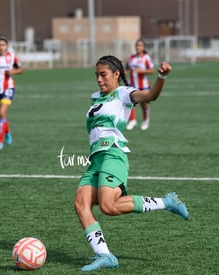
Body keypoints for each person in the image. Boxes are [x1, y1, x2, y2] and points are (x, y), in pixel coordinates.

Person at [74, 55, 188, 272]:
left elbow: (151, 95)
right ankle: (105, 256)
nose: (99, 79)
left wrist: (161, 76)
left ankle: (167, 202)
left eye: (103, 74)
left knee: (108, 206)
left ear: (116, 74)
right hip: (95, 159)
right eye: (96, 75)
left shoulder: (124, 94)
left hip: (113, 154)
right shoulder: (95, 97)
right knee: (81, 204)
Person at [126, 39, 155, 130]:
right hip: (132, 85)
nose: (137, 47)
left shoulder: (146, 58)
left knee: (144, 104)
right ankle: (132, 120)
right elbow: (126, 68)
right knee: (130, 103)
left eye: (140, 45)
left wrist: (141, 71)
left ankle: (145, 120)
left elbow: (152, 70)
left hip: (144, 86)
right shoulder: (131, 58)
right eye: (136, 45)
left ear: (143, 47)